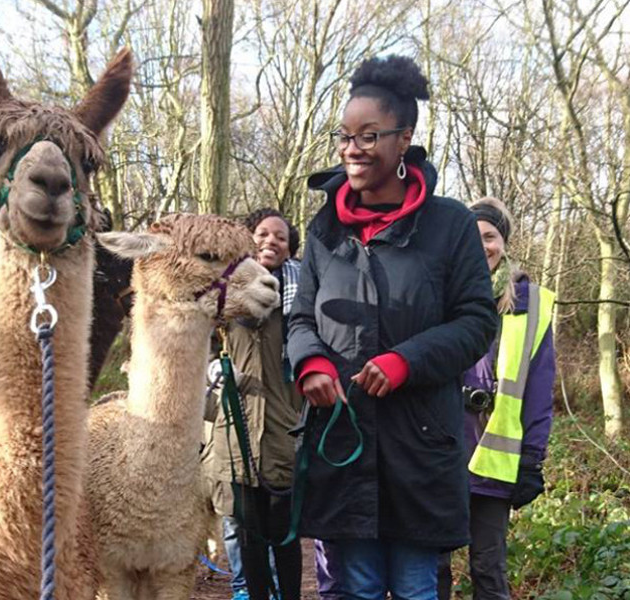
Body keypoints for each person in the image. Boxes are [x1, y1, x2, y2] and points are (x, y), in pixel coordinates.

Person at [286, 55, 499, 600]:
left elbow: (477, 321)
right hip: (343, 441)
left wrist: (406, 361)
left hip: (420, 446)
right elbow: (301, 316)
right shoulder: (324, 228)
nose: (352, 148)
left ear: (404, 139)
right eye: (344, 135)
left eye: (368, 135)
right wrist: (310, 363)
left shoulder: (449, 224)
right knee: (353, 588)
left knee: (413, 589)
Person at [436, 197, 556, 600]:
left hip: (494, 463)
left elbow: (539, 390)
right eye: (472, 237)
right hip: (440, 453)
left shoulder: (530, 304)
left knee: (488, 568)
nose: (482, 245)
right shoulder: (439, 293)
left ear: (504, 242)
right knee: (431, 565)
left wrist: (532, 460)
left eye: (490, 236)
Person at [206, 208, 304, 600]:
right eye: (262, 233)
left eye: (280, 236)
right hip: (237, 434)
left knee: (285, 538)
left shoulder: (301, 299)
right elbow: (203, 344)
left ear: (290, 248)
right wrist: (213, 367)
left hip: (284, 434)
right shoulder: (223, 298)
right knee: (249, 541)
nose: (270, 241)